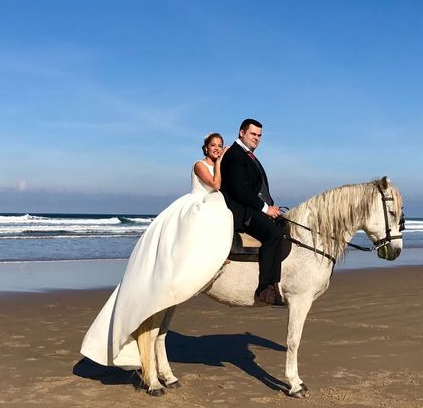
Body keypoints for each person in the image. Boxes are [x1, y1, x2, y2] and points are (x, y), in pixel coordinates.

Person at [81, 133, 234, 368]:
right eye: (213, 146)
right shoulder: (199, 165)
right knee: (211, 214)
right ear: (205, 148)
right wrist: (222, 162)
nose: (217, 149)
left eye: (220, 146)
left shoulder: (215, 164)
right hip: (196, 204)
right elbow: (215, 185)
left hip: (209, 204)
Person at [219, 118, 286, 306]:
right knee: (273, 234)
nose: (256, 138)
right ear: (241, 133)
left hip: (251, 206)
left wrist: (271, 206)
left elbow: (258, 188)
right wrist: (265, 209)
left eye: (259, 135)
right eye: (253, 134)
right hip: (239, 210)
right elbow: (241, 191)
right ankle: (265, 288)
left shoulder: (249, 155)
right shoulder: (235, 154)